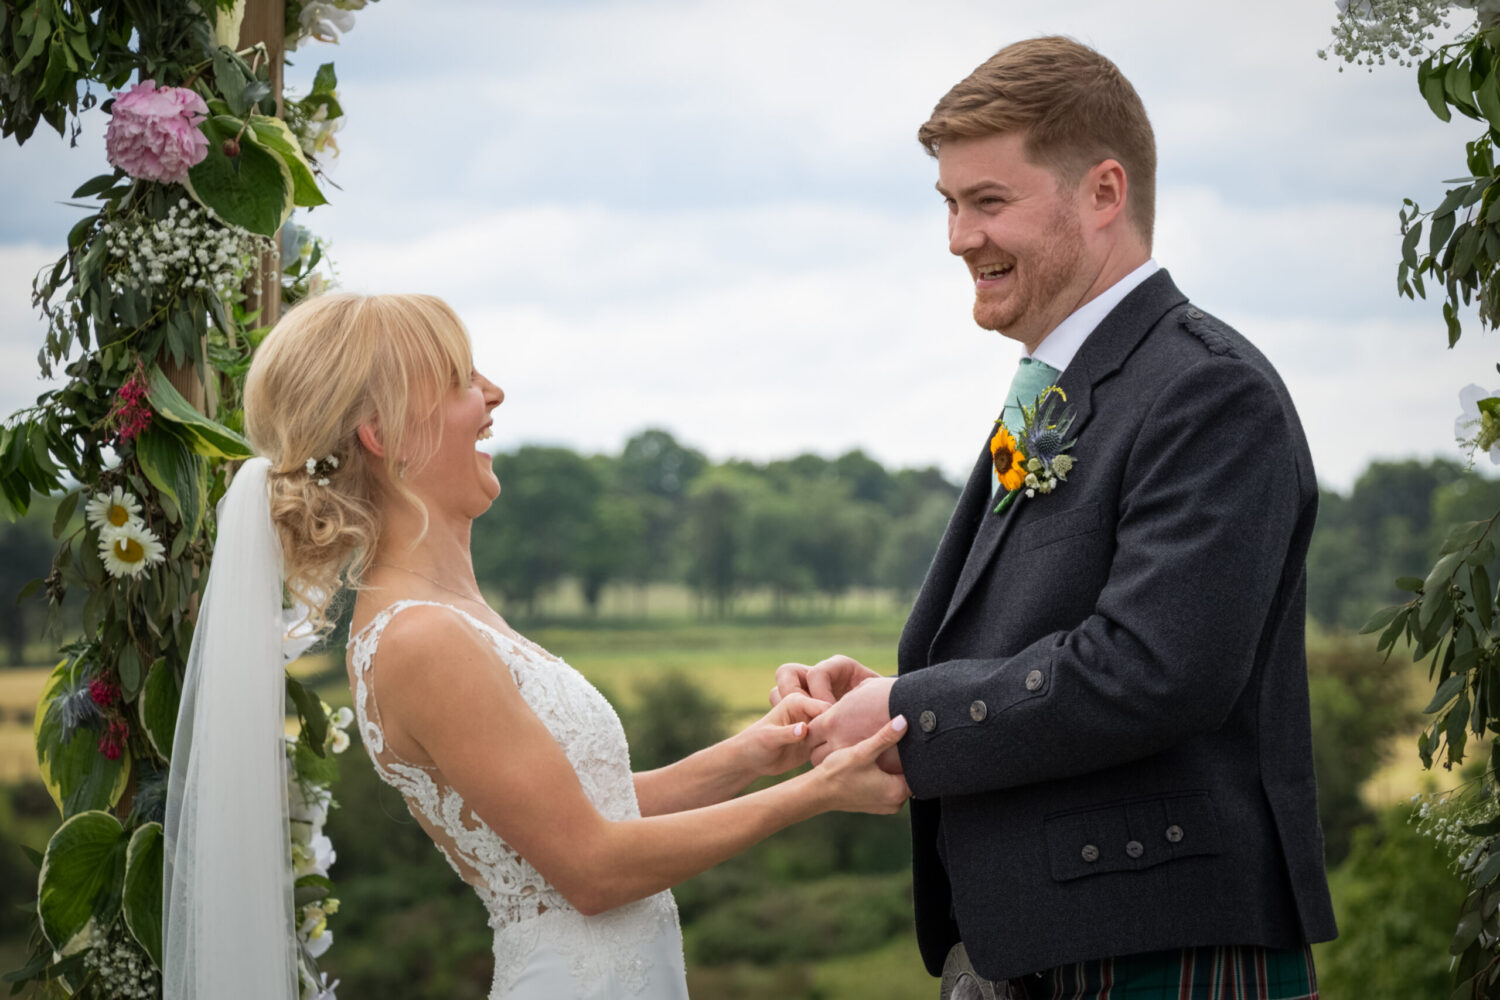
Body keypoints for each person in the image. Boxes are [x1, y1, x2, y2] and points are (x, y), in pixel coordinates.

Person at [773, 36, 1337, 1000]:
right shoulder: (1061, 388)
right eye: (950, 204)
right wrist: (892, 691)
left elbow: (1155, 670)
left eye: (989, 201)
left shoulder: (1208, 390)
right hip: (1046, 947)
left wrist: (912, 713)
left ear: (1104, 192)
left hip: (1160, 945)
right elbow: (1040, 633)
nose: (960, 238)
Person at [162, 292, 912, 1000]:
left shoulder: (452, 616)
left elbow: (584, 812)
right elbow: (592, 870)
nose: (494, 394)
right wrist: (817, 792)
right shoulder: (420, 637)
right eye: (461, 380)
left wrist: (754, 753)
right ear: (383, 435)